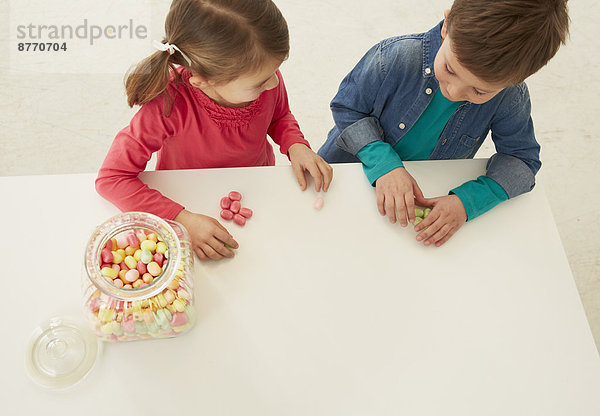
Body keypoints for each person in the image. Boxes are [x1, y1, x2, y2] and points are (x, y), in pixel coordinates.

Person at [318, 0, 569, 247]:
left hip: (422, 198)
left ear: (515, 80)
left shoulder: (509, 96)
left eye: (479, 92)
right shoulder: (394, 57)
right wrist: (383, 164)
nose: (454, 91)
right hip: (343, 178)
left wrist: (466, 202)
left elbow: (522, 161)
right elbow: (347, 107)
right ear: (446, 25)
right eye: (450, 69)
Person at [96, 0, 333, 260]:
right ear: (203, 82)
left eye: (276, 71)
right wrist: (181, 220)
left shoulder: (263, 74)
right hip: (187, 200)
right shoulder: (166, 104)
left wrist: (296, 145)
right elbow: (112, 178)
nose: (275, 82)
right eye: (261, 82)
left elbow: (279, 116)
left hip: (256, 189)